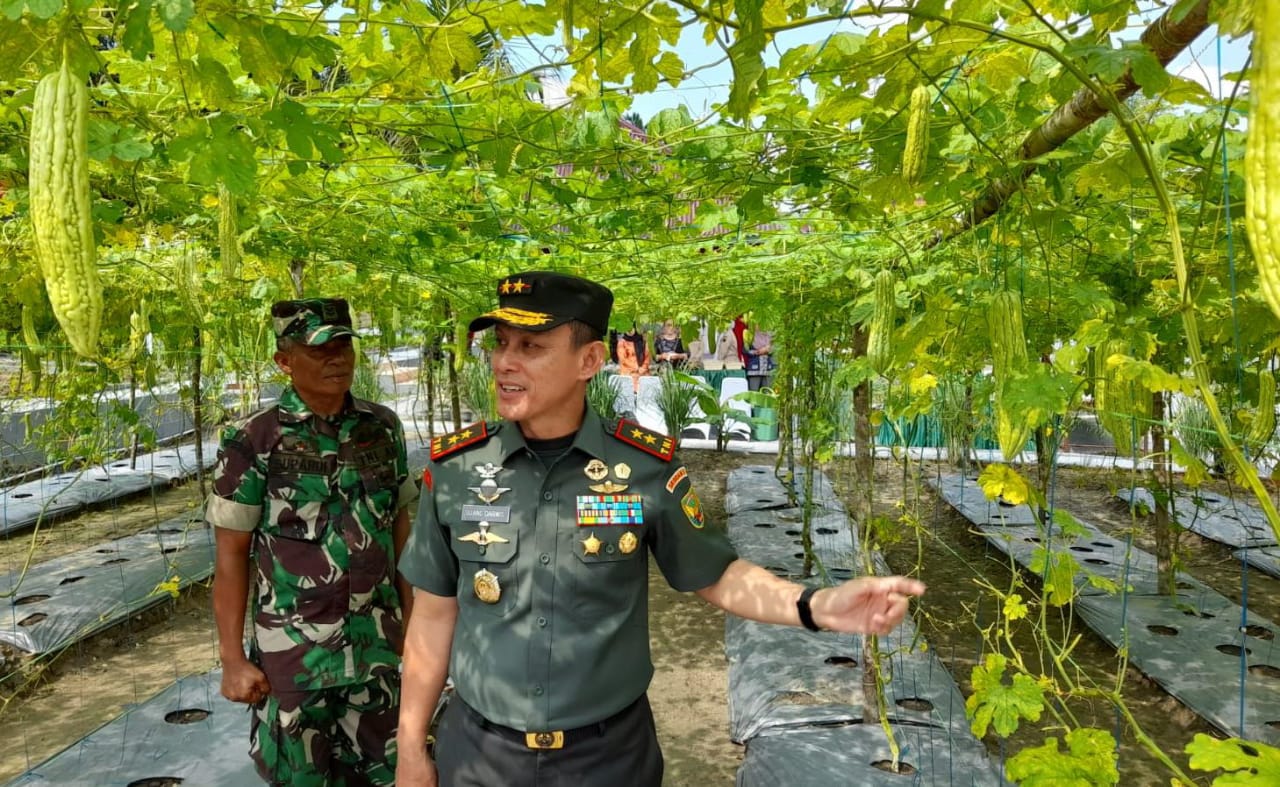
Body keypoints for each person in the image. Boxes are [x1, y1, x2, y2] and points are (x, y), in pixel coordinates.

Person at [394, 271, 926, 787]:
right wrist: (411, 748)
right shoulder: (458, 468)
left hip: (607, 759)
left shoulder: (643, 467)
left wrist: (817, 606)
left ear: (589, 360)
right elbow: (433, 616)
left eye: (531, 347)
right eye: (502, 343)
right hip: (480, 755)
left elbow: (714, 574)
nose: (505, 362)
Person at [208, 297, 418, 787]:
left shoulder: (382, 428)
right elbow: (231, 556)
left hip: (377, 653)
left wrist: (416, 625)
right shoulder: (253, 440)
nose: (337, 358)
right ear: (285, 361)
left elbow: (402, 534)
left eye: (344, 345)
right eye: (321, 349)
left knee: (392, 775)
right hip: (295, 662)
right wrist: (233, 660)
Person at [615, 321, 650, 391]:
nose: (630, 331)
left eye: (631, 329)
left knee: (644, 392)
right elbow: (623, 359)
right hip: (628, 373)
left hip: (643, 373)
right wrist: (636, 368)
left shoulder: (642, 341)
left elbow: (647, 356)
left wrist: (643, 368)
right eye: (627, 330)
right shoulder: (622, 342)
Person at [745, 324, 775, 391]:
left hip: (767, 368)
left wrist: (767, 349)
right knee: (754, 392)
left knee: (767, 392)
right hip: (754, 367)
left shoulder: (770, 336)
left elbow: (773, 348)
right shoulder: (750, 335)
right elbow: (745, 349)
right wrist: (757, 352)